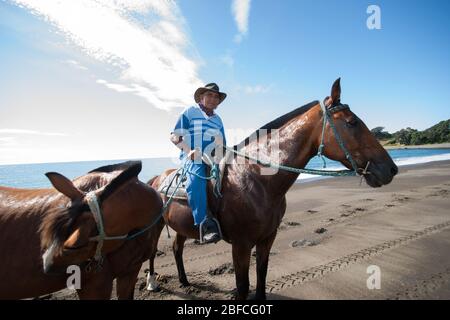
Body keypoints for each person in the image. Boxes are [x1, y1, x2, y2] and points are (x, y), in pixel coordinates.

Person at [170, 83, 227, 243]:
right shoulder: (190, 111)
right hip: (192, 157)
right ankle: (204, 224)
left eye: (216, 97)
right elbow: (174, 137)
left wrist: (220, 153)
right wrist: (189, 152)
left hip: (213, 158)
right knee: (196, 180)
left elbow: (222, 144)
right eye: (209, 95)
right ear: (201, 97)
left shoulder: (218, 120)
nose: (213, 99)